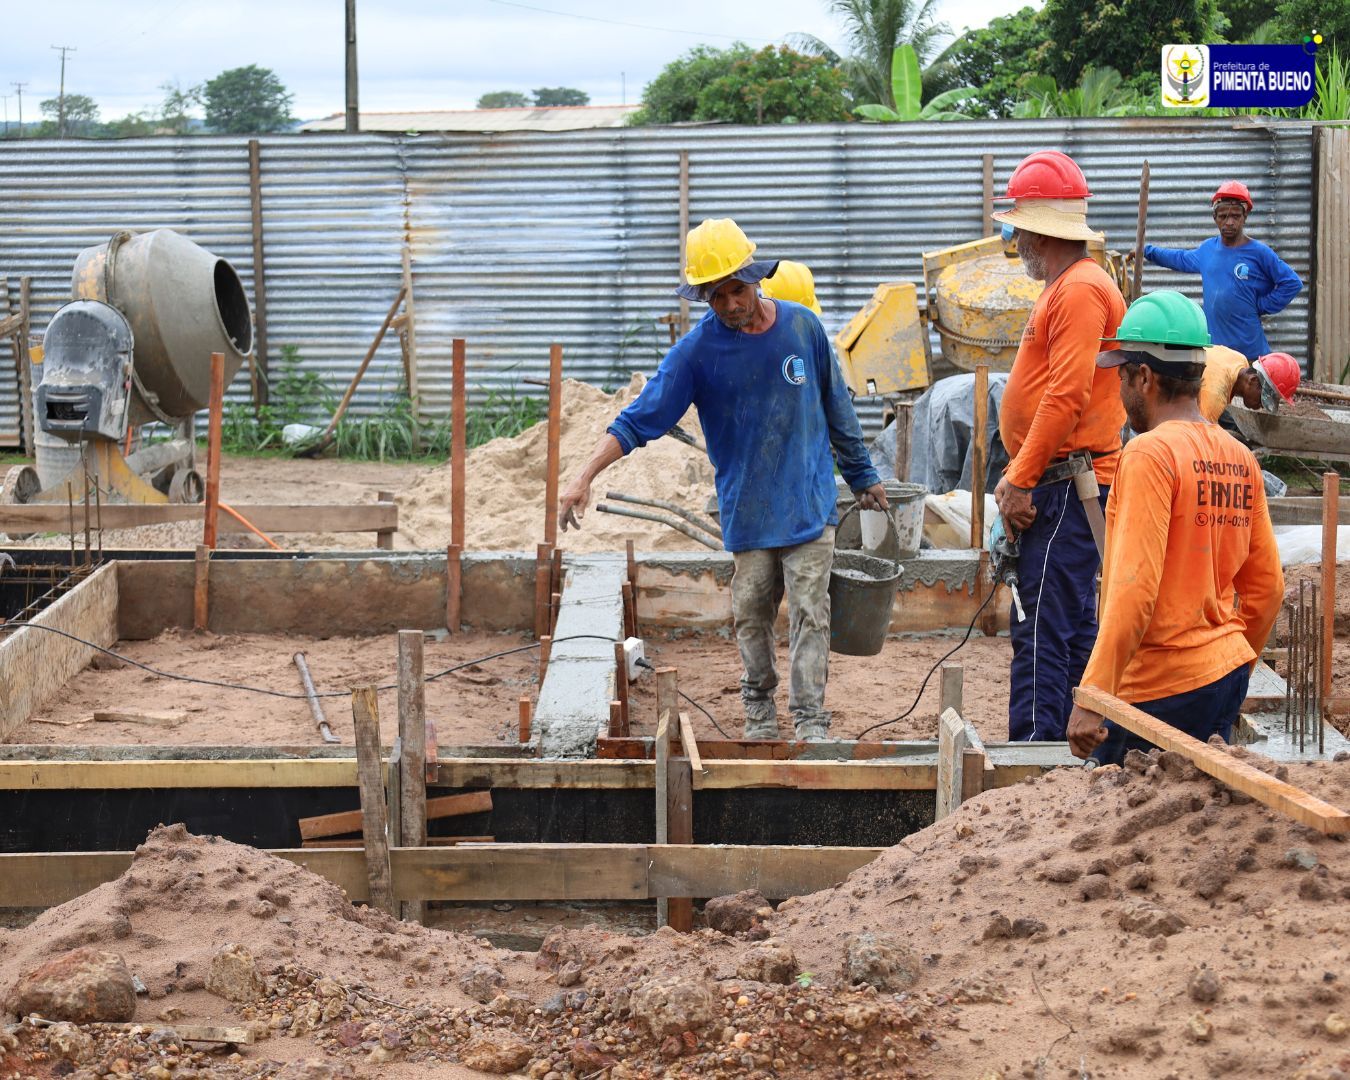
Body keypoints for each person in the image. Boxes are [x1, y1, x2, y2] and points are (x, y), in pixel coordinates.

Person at [557, 218, 887, 742]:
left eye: (736, 289)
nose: (730, 304)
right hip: (748, 512)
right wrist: (583, 477)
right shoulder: (697, 354)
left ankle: (809, 719)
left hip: (808, 504)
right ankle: (759, 711)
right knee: (751, 615)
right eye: (716, 296)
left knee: (811, 612)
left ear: (754, 277)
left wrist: (863, 475)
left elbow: (838, 410)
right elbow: (637, 420)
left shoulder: (803, 328)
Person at [1067, 290, 1284, 764]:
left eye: (1122, 376)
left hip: (1157, 688)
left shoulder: (1150, 454)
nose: (1120, 391)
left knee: (1122, 809)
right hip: (1224, 674)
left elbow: (1134, 591)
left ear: (1144, 377)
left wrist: (1093, 694)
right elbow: (1268, 588)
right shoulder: (1239, 457)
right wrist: (1232, 660)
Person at [991, 149, 1128, 742]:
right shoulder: (1069, 286)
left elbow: (1066, 396)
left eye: (1018, 227)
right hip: (1063, 481)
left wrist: (1020, 477)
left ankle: (1036, 752)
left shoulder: (1078, 291)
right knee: (1065, 622)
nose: (1015, 239)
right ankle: (1071, 755)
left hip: (1068, 483)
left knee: (1044, 624)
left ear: (1037, 230)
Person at [1143, 180, 1302, 360]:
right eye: (1223, 216)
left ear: (1245, 216)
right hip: (1216, 352)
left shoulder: (1259, 252)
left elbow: (1292, 283)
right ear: (1215, 218)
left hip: (1250, 354)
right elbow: (1179, 258)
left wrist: (1262, 305)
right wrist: (1146, 251)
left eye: (1235, 216)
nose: (1229, 222)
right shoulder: (1208, 250)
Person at [1198, 347, 1301, 424]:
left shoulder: (1239, 359)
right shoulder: (1214, 398)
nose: (1262, 406)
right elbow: (1198, 437)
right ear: (1253, 380)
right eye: (1263, 398)